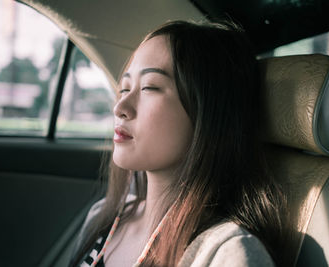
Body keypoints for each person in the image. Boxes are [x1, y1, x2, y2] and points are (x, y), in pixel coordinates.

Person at [70, 20, 291, 267]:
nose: (120, 108)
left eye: (149, 87)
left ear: (208, 115)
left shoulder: (225, 253)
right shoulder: (102, 218)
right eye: (124, 89)